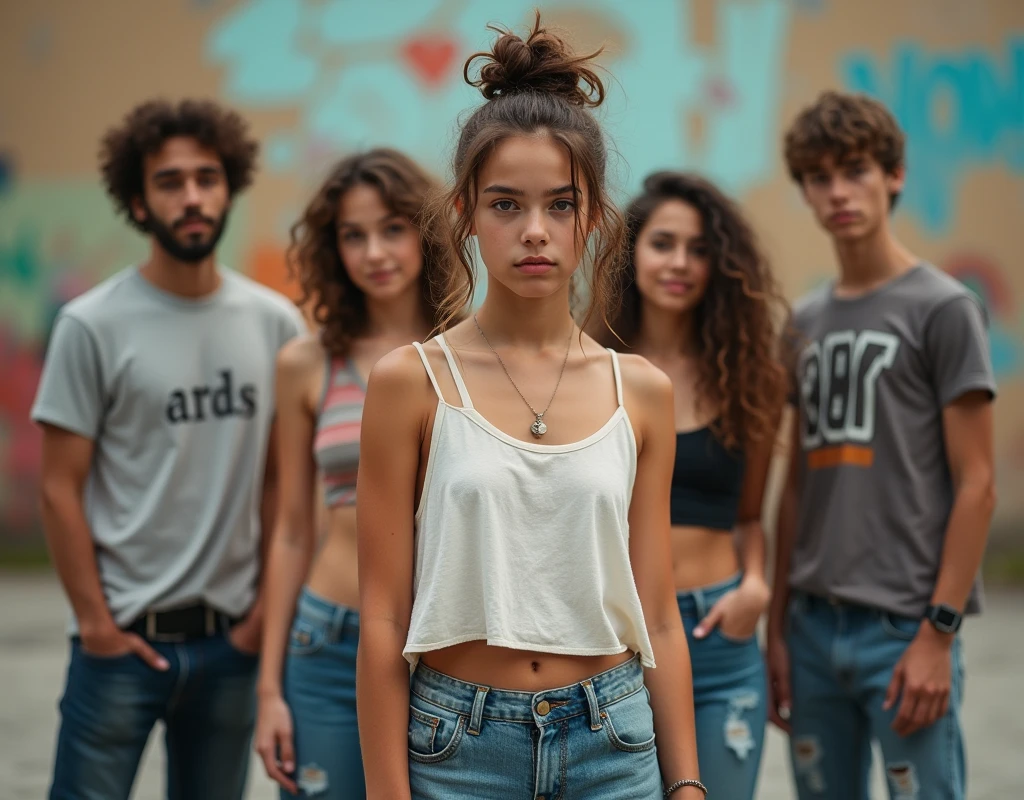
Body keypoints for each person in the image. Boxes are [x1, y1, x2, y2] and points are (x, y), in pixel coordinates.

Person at [355, 13, 705, 800]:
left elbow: (659, 613)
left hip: (614, 742)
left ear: (593, 217)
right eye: (507, 205)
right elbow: (382, 615)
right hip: (456, 748)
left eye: (560, 204)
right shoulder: (411, 381)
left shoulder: (640, 391)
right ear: (468, 215)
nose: (535, 232)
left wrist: (686, 784)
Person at [31, 98, 307, 800]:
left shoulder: (275, 323)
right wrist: (95, 624)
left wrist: (258, 622)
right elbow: (59, 487)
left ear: (229, 187)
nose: (192, 197)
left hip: (231, 645)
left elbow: (282, 483)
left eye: (207, 178)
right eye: (170, 181)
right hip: (121, 644)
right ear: (138, 200)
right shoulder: (90, 326)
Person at [766, 90, 997, 800]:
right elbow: (797, 484)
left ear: (893, 175)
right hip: (810, 627)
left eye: (856, 170)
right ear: (804, 188)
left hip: (905, 627)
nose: (838, 191)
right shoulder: (801, 322)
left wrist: (939, 634)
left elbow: (979, 483)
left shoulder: (943, 308)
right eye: (819, 176)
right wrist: (776, 630)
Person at [254, 149, 447, 799]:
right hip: (329, 639)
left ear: (425, 232)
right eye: (353, 234)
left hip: (444, 644)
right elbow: (288, 532)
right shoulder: (306, 363)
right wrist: (270, 688)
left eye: (392, 228)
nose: (374, 252)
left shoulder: (468, 355)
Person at [592, 171, 789, 798]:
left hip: (718, 634)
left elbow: (750, 517)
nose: (680, 263)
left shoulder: (751, 377)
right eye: (663, 243)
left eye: (699, 249)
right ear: (631, 255)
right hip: (616, 638)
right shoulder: (591, 370)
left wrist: (756, 585)